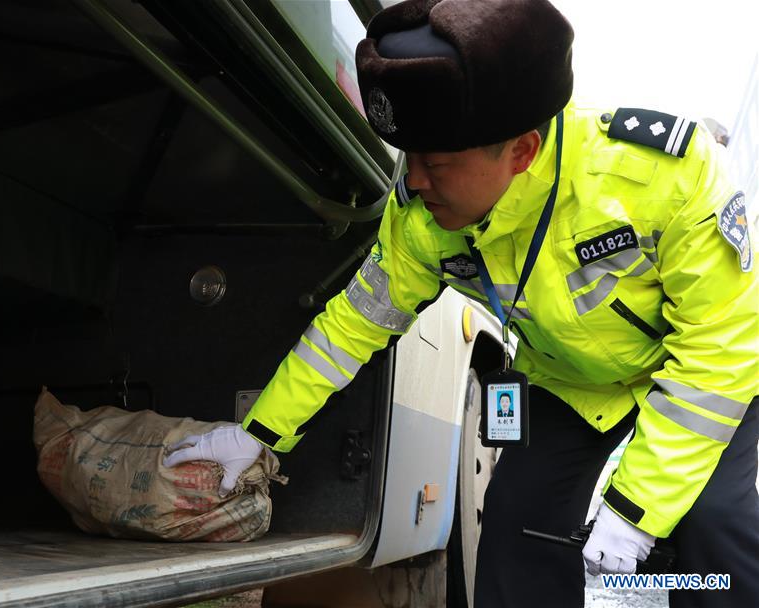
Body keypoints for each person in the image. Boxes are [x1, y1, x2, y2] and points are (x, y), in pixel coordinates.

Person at [163, 1, 758, 606]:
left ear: (522, 152)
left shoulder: (664, 178)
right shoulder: (422, 218)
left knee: (716, 531)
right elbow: (350, 328)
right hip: (572, 382)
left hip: (695, 377)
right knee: (516, 522)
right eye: (409, 158)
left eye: (437, 163)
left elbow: (720, 352)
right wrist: (258, 434)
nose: (415, 182)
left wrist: (634, 512)